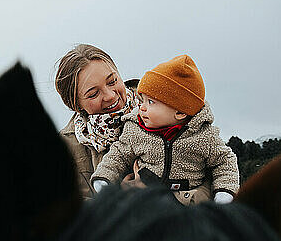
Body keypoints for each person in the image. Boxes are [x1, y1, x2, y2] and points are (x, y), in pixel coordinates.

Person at [55, 45, 213, 204]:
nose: (110, 96)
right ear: (75, 104)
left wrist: (166, 196)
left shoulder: (169, 107)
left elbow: (212, 182)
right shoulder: (65, 147)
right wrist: (120, 200)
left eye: (112, 81)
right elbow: (71, 212)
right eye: (93, 94)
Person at [91, 54, 239, 204]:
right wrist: (104, 178)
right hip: (146, 199)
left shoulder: (204, 136)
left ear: (180, 112)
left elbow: (224, 161)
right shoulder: (135, 130)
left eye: (151, 102)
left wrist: (224, 192)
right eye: (142, 100)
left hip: (189, 203)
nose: (141, 107)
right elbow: (118, 155)